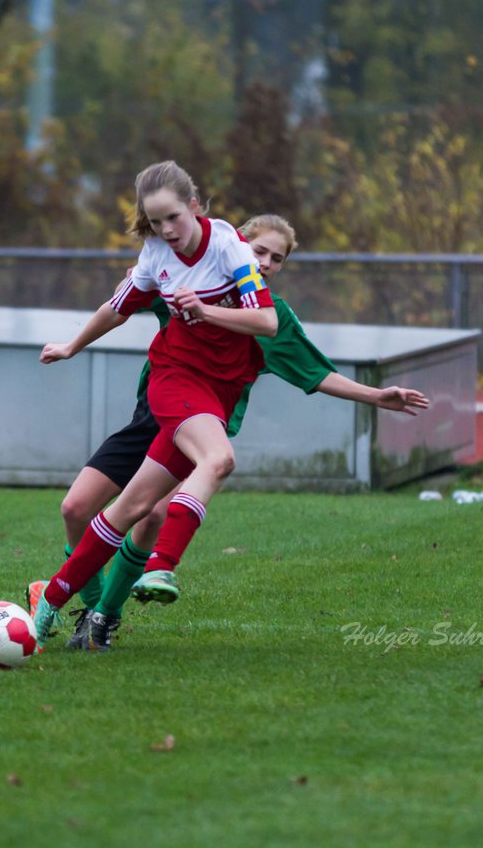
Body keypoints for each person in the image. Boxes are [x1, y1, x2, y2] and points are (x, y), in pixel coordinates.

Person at [30, 214, 429, 651]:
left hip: (200, 428)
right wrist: (93, 322)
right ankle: (82, 603)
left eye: (277, 259)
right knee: (75, 507)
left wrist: (377, 396)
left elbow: (315, 373)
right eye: (259, 251)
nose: (266, 263)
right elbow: (134, 294)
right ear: (239, 246)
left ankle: (103, 615)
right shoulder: (199, 280)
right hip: (152, 416)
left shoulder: (271, 318)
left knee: (151, 516)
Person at [31, 160, 279, 648]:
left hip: (219, 390)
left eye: (173, 219)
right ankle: (162, 567)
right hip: (175, 378)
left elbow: (267, 322)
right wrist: (71, 345)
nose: (166, 231)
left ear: (194, 206)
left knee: (132, 507)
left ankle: (52, 601)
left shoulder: (230, 247)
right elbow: (117, 307)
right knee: (219, 458)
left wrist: (203, 308)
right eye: (155, 221)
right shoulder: (153, 255)